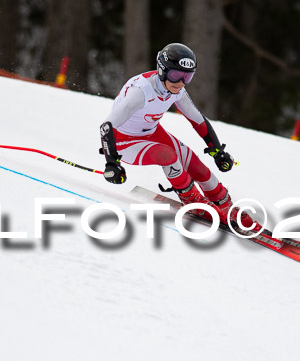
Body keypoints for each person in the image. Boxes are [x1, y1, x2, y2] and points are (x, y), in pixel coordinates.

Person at [99, 42, 252, 229]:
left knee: (195, 165)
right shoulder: (141, 91)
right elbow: (107, 126)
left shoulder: (176, 90)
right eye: (175, 75)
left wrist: (217, 151)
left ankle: (225, 204)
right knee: (167, 155)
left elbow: (197, 120)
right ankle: (192, 200)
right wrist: (112, 163)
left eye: (187, 76)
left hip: (152, 133)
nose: (180, 82)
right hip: (125, 141)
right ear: (162, 71)